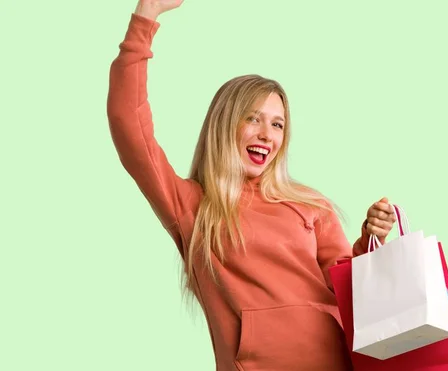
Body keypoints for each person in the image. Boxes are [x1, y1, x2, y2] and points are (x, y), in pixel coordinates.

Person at [107, 0, 397, 370]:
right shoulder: (192, 206)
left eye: (277, 124)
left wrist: (369, 240)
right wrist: (146, 15)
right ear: (225, 124)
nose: (266, 134)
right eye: (253, 119)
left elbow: (349, 290)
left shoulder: (310, 206)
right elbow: (129, 124)